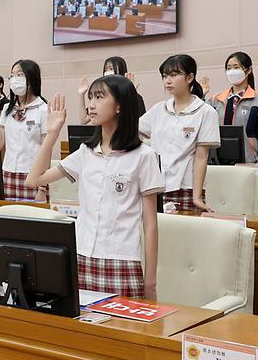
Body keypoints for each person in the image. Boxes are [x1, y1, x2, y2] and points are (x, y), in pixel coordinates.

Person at [25, 77, 164, 298]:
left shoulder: (144, 157)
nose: (91, 104)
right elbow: (34, 180)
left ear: (120, 106)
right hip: (80, 256)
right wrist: (52, 133)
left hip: (122, 261)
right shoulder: (85, 153)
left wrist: (151, 282)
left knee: (122, 331)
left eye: (99, 97)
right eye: (90, 97)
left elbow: (150, 224)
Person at [139, 54, 220, 212]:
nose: (167, 80)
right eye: (164, 76)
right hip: (154, 186)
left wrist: (197, 196)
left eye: (174, 75)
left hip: (185, 188)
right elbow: (132, 132)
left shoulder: (206, 112)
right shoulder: (158, 109)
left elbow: (201, 157)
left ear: (190, 77)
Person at [0, 60, 50, 201]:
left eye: (20, 74)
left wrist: (42, 187)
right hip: (7, 174)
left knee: (31, 220)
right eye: (12, 75)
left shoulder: (43, 109)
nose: (15, 79)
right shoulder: (7, 109)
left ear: (32, 79)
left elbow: (46, 150)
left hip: (33, 176)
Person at [205, 52, 258, 164]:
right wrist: (201, 95)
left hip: (249, 162)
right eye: (228, 68)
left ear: (248, 70)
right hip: (217, 162)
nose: (232, 71)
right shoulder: (215, 99)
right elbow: (198, 118)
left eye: (236, 67)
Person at [79, 56, 145, 123]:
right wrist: (81, 94)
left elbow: (138, 125)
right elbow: (84, 120)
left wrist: (129, 95)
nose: (107, 72)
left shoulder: (136, 97)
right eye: (105, 70)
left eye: (111, 68)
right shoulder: (102, 96)